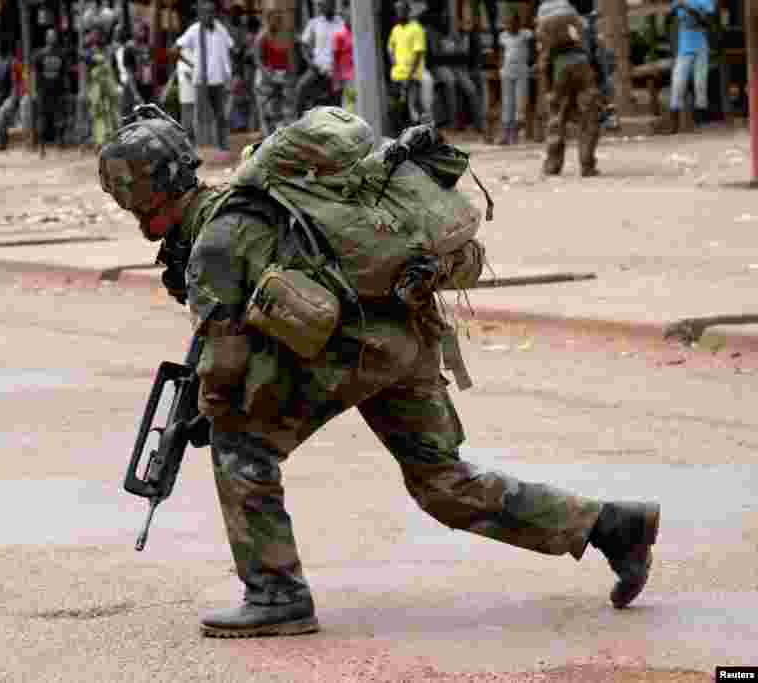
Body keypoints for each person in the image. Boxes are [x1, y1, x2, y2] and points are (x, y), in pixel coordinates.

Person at [97, 105, 661, 638]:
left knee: (241, 447)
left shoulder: (215, 243)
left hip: (355, 351)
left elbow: (224, 364)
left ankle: (275, 594)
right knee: (442, 480)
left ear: (143, 199)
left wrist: (207, 412)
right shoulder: (257, 201)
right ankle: (611, 526)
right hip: (406, 335)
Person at [535, 0, 600, 176]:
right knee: (589, 115)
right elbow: (592, 48)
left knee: (556, 116)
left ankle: (552, 165)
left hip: (559, 69)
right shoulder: (573, 14)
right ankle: (587, 164)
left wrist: (547, 87)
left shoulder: (543, 14)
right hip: (582, 65)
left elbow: (544, 59)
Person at [175, 1, 235, 153]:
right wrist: (192, 64)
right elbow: (177, 48)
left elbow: (230, 47)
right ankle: (196, 148)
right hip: (201, 79)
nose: (209, 15)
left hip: (219, 79)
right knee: (199, 116)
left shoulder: (220, 28)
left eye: (211, 12)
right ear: (200, 15)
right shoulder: (194, 30)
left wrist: (229, 72)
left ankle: (222, 145)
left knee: (221, 114)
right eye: (205, 12)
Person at [665, 0, 715, 132]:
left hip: (701, 47)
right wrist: (672, 11)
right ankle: (673, 127)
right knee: (678, 84)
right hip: (683, 48)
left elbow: (707, 23)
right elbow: (668, 20)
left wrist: (688, 7)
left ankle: (699, 125)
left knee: (700, 84)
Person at [387, 1, 434, 130]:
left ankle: (420, 134)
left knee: (412, 108)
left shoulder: (416, 29)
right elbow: (390, 47)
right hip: (397, 75)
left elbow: (418, 54)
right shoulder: (396, 29)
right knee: (397, 107)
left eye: (402, 10)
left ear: (408, 12)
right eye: (397, 11)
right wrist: (394, 63)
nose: (399, 13)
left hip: (412, 76)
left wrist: (410, 75)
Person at [295, 0, 344, 117]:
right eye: (321, 5)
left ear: (333, 5)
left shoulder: (341, 22)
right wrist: (310, 63)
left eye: (326, 4)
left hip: (336, 69)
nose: (323, 7)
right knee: (301, 87)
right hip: (317, 68)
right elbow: (304, 46)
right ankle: (298, 120)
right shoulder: (314, 23)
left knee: (338, 101)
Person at [252, 9, 293, 137]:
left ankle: (277, 140)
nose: (278, 22)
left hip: (280, 77)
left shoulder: (283, 37)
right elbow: (257, 60)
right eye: (276, 19)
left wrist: (287, 75)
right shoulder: (262, 37)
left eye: (280, 19)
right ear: (269, 20)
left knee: (279, 111)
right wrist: (268, 76)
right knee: (266, 113)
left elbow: (287, 59)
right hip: (266, 78)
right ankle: (267, 139)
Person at [33, 28, 70, 157]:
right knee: (42, 118)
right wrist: (35, 90)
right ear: (46, 38)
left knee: (59, 117)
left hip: (58, 91)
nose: (52, 38)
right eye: (50, 36)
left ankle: (60, 143)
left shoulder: (61, 54)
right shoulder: (39, 55)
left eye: (54, 36)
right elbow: (35, 74)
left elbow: (65, 73)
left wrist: (66, 90)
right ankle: (42, 147)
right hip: (43, 91)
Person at [498, 11, 533, 144]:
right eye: (507, 23)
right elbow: (501, 53)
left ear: (518, 23)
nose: (509, 25)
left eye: (512, 23)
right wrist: (500, 68)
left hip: (521, 71)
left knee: (520, 102)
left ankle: (515, 133)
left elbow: (532, 50)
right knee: (507, 102)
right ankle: (506, 134)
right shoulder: (503, 36)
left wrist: (532, 64)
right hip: (507, 71)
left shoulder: (525, 34)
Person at [119, 22, 155, 115]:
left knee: (147, 116)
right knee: (131, 117)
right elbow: (129, 72)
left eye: (144, 30)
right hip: (133, 88)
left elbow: (151, 68)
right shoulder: (129, 48)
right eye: (139, 30)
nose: (142, 32)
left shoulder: (148, 47)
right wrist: (135, 94)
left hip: (147, 87)